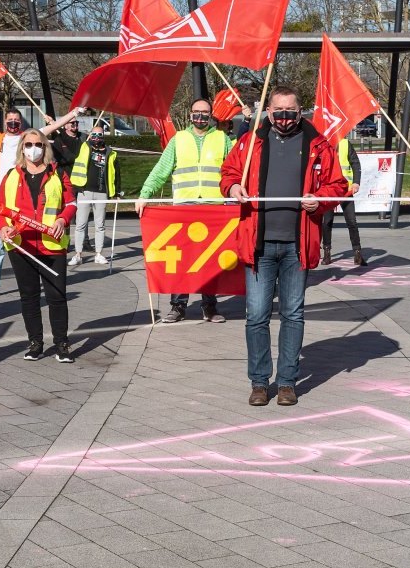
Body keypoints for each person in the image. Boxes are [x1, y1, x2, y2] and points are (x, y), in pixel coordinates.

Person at [223, 86, 347, 406]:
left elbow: (338, 186)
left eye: (290, 112)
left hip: (297, 244)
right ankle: (260, 382)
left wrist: (319, 201)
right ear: (268, 112)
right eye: (277, 112)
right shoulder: (250, 142)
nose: (284, 119)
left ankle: (288, 382)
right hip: (258, 245)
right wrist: (234, 185)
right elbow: (229, 173)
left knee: (293, 315)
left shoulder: (319, 145)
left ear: (300, 110)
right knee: (257, 316)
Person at [0, 105, 81, 298]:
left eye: (16, 121)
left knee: (30, 239)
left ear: (21, 123)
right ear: (5, 122)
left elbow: (52, 129)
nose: (13, 124)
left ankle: (35, 278)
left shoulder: (28, 138)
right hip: (4, 199)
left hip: (27, 196)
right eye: (9, 120)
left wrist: (73, 114)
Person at [136, 98, 234, 323]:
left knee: (210, 260)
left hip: (213, 208)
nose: (201, 116)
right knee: (181, 260)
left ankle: (209, 306)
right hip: (184, 208)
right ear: (190, 115)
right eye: (197, 112)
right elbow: (161, 170)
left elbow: (234, 170)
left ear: (211, 116)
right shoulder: (178, 139)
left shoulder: (223, 139)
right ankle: (178, 307)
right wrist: (144, 195)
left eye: (205, 113)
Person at [0, 129, 78, 362]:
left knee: (57, 296)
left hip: (52, 245)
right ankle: (35, 343)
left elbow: (71, 203)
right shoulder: (11, 175)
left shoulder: (59, 173)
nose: (33, 149)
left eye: (38, 144)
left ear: (45, 147)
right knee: (29, 297)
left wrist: (63, 218)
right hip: (21, 245)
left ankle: (61, 344)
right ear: (22, 147)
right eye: (28, 144)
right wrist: (2, 228)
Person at [68, 122, 118, 266]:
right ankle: (78, 254)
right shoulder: (83, 146)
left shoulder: (110, 152)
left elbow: (116, 173)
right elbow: (69, 138)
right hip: (85, 191)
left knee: (100, 225)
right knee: (80, 224)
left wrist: (117, 191)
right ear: (90, 135)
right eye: (94, 134)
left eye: (99, 135)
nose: (96, 137)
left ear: (104, 136)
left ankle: (99, 254)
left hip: (102, 192)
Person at [320, 137, 365, 265]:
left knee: (351, 221)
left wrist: (356, 182)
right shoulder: (323, 144)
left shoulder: (345, 143)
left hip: (345, 189)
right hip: (329, 190)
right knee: (327, 222)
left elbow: (355, 163)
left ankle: (357, 253)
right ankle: (327, 253)